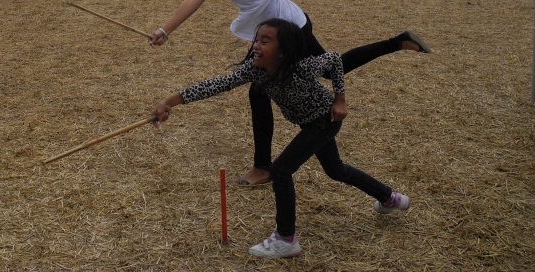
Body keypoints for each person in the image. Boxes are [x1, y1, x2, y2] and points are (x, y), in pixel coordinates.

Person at [149, 0, 429, 186]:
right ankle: (262, 166)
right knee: (260, 90)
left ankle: (397, 42)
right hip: (265, 35)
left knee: (319, 74)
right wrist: (166, 29)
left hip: (292, 27)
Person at [152, 19, 412, 259]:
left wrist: (340, 100)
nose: (256, 45)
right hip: (310, 123)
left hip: (324, 120)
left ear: (283, 50)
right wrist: (170, 101)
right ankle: (390, 199)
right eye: (257, 39)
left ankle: (286, 238)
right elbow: (217, 84)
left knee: (281, 169)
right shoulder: (255, 71)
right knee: (336, 170)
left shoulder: (302, 66)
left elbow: (334, 59)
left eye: (265, 41)